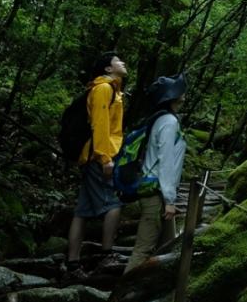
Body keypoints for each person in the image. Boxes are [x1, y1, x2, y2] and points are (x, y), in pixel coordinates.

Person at [66, 51, 126, 272]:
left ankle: (73, 264)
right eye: (118, 61)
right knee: (114, 205)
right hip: (96, 157)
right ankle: (106, 255)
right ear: (108, 69)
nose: (123, 63)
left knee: (82, 211)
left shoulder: (112, 89)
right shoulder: (102, 89)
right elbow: (99, 126)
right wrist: (105, 158)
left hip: (94, 156)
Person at [124, 72, 188, 273]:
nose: (183, 94)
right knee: (143, 249)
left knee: (164, 246)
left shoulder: (161, 119)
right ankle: (119, 297)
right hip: (156, 193)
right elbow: (166, 161)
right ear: (171, 96)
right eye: (179, 91)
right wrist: (169, 200)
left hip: (155, 189)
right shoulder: (169, 122)